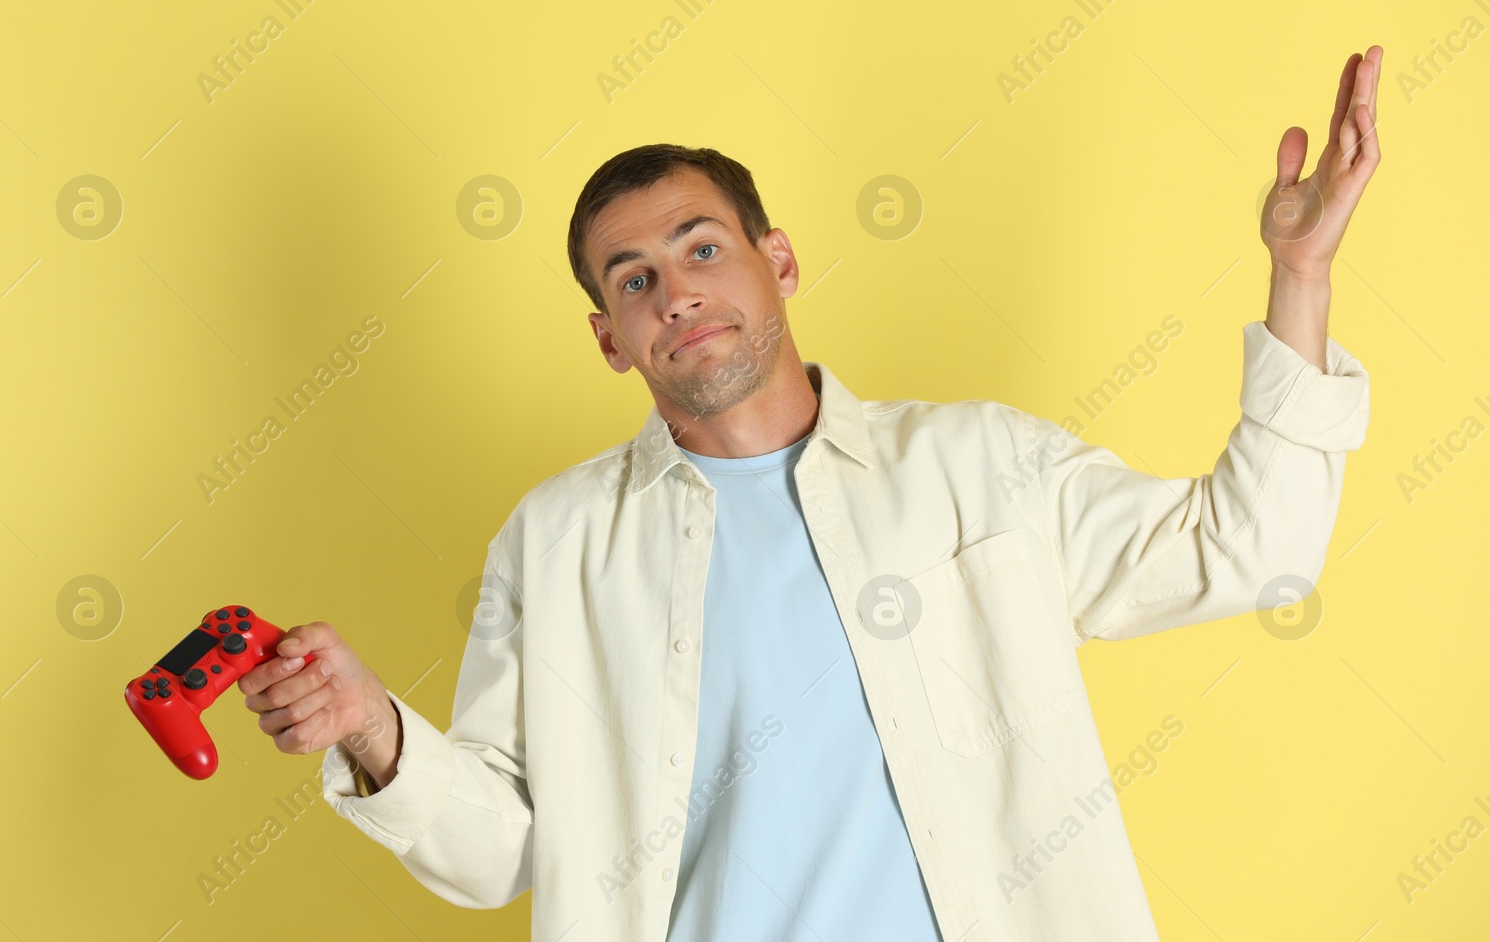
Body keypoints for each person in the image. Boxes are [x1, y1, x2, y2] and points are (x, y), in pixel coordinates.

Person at [237, 46, 1383, 941]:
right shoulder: (558, 541)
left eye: (700, 250)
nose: (674, 292)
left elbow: (1255, 550)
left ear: (776, 261)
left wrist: (1301, 275)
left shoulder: (977, 465)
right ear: (608, 337)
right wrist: (372, 728)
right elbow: (498, 850)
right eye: (633, 279)